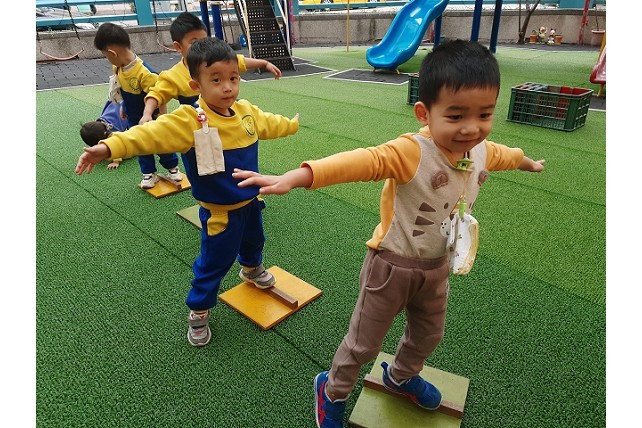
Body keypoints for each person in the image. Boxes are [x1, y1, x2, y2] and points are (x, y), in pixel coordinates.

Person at [232, 40, 545, 428]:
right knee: (363, 344)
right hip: (391, 267)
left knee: (429, 334)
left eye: (485, 114)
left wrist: (528, 163)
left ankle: (401, 376)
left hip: (436, 267)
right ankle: (331, 390)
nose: (471, 127)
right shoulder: (413, 151)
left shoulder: (480, 149)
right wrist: (298, 176)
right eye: (456, 115)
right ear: (424, 113)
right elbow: (363, 161)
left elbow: (506, 155)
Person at [76, 38, 300, 348]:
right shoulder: (189, 121)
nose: (228, 87)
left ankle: (251, 269)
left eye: (233, 78)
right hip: (220, 213)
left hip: (251, 201)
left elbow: (269, 123)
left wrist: (289, 125)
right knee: (213, 263)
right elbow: (149, 134)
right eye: (216, 80)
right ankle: (199, 309)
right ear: (196, 85)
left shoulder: (246, 112)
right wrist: (109, 146)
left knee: (254, 240)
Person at [139, 11, 282, 125]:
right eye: (194, 42)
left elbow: (239, 61)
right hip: (197, 127)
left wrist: (264, 63)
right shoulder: (174, 76)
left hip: (225, 121)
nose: (201, 46)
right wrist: (147, 114)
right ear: (178, 46)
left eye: (204, 40)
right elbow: (156, 94)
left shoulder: (216, 60)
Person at [93, 22, 183, 189]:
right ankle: (148, 174)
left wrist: (162, 116)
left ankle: (172, 168)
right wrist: (123, 106)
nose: (108, 59)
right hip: (133, 116)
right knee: (140, 144)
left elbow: (160, 95)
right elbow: (121, 88)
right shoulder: (118, 67)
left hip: (152, 116)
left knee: (161, 142)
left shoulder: (144, 73)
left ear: (112, 53)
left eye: (106, 56)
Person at [79, 100, 129, 170]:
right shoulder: (98, 125)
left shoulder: (112, 133)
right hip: (113, 104)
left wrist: (116, 162)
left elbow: (117, 146)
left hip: (125, 108)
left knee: (133, 130)